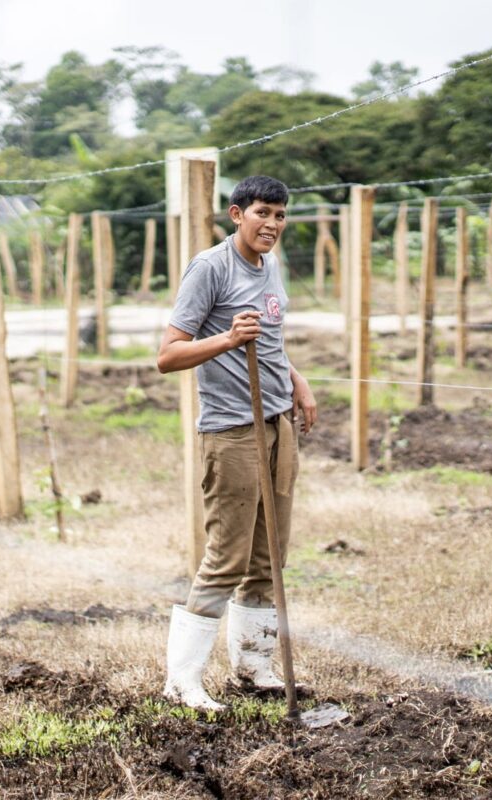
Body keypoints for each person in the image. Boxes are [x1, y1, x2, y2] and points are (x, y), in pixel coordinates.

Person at [156, 174, 317, 711]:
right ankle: (183, 681)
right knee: (226, 558)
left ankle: (254, 667)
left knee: (270, 556)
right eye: (262, 214)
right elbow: (167, 356)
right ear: (236, 214)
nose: (271, 225)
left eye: (280, 215)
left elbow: (269, 339)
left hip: (277, 424)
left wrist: (296, 380)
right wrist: (226, 339)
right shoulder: (211, 268)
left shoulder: (269, 266)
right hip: (231, 429)